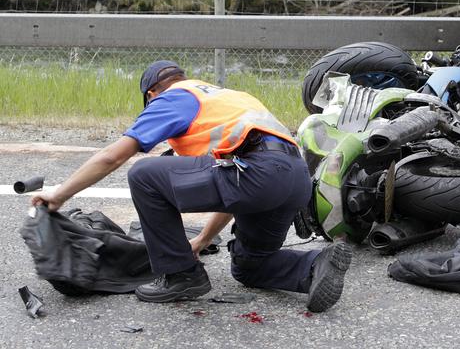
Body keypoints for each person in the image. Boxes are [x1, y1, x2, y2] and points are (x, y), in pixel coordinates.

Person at [32, 60, 352, 312]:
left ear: (151, 95)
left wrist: (59, 194)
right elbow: (232, 188)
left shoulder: (173, 98)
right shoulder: (226, 97)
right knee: (251, 267)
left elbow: (113, 157)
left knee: (144, 175)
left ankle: (181, 275)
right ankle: (314, 266)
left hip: (257, 174)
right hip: (293, 178)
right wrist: (200, 240)